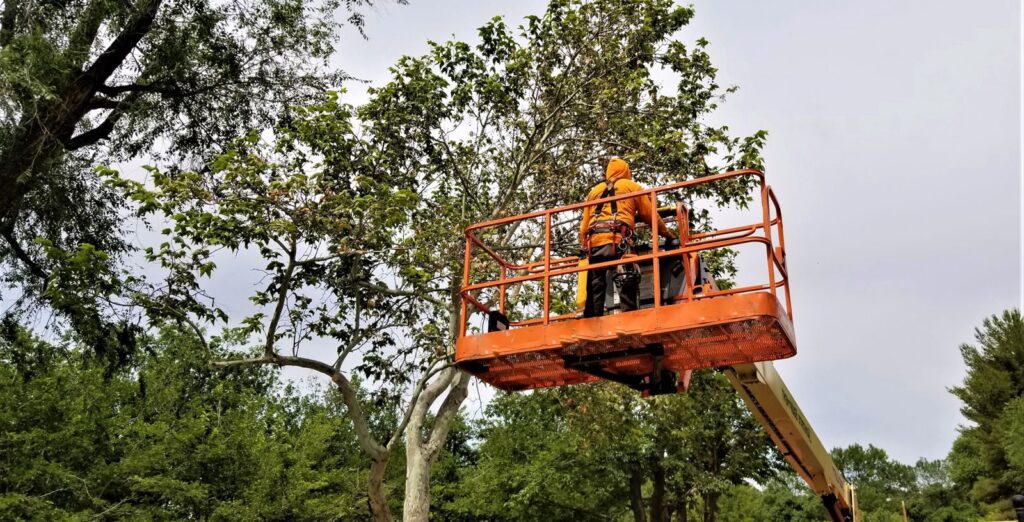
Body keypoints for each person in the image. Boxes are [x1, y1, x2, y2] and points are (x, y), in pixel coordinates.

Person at [580, 157, 676, 317]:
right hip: (619, 242)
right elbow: (649, 215)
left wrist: (585, 247)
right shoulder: (631, 187)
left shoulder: (594, 191)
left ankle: (593, 320)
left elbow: (583, 228)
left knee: (595, 285)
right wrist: (667, 233)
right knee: (626, 280)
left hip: (595, 245)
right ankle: (630, 318)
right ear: (626, 172)